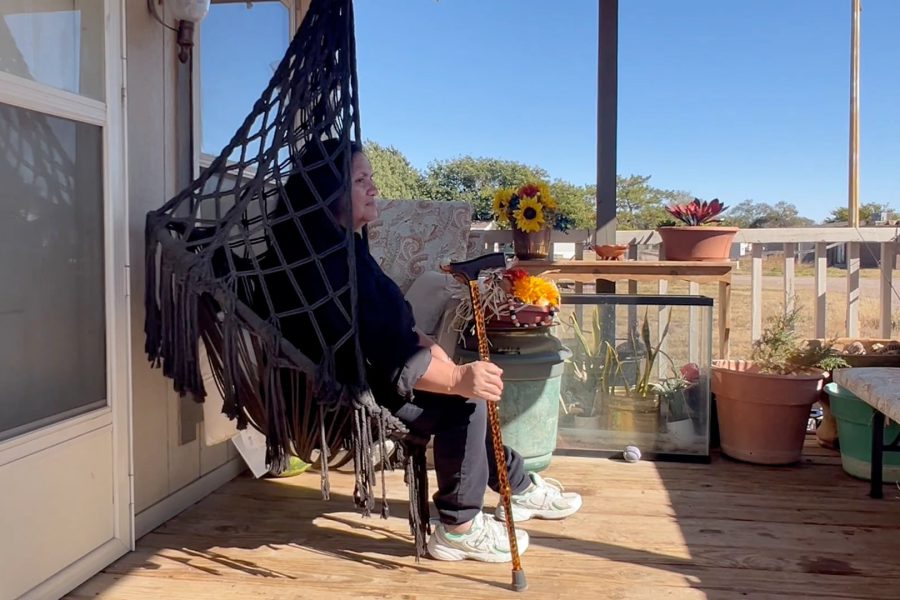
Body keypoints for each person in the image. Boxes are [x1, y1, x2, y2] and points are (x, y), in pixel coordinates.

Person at [272, 140, 582, 563]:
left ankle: (518, 488)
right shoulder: (327, 265)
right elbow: (383, 351)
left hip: (384, 368)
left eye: (372, 179)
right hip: (359, 388)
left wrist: (437, 353)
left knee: (470, 380)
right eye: (361, 179)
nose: (374, 188)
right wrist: (454, 379)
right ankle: (458, 528)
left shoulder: (342, 247)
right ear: (329, 190)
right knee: (468, 400)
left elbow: (391, 327)